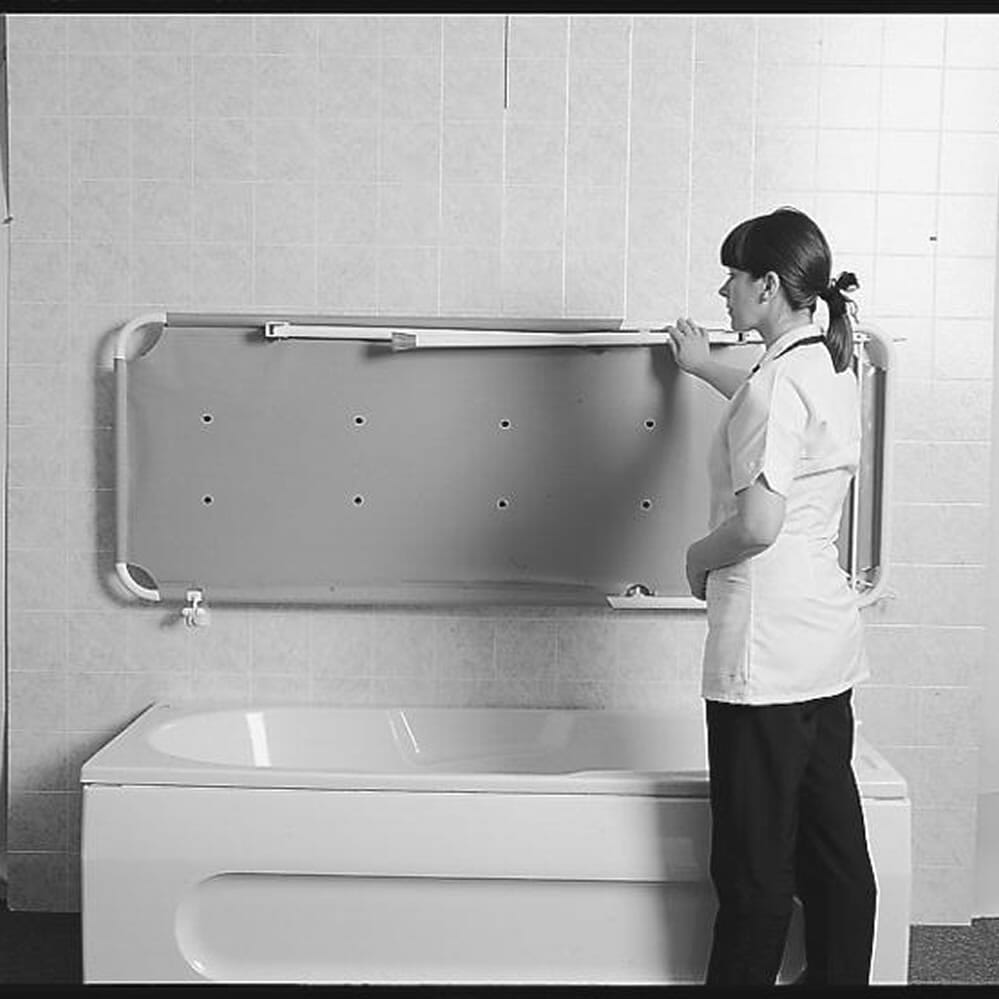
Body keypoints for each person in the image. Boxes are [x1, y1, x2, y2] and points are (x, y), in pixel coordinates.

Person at [665, 207, 877, 987]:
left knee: (754, 867)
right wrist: (701, 368)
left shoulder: (778, 382)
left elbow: (755, 523)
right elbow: (765, 396)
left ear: (765, 285)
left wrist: (696, 557)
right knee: (832, 851)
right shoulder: (828, 360)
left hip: (765, 656)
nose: (721, 291)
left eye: (731, 275)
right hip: (822, 646)